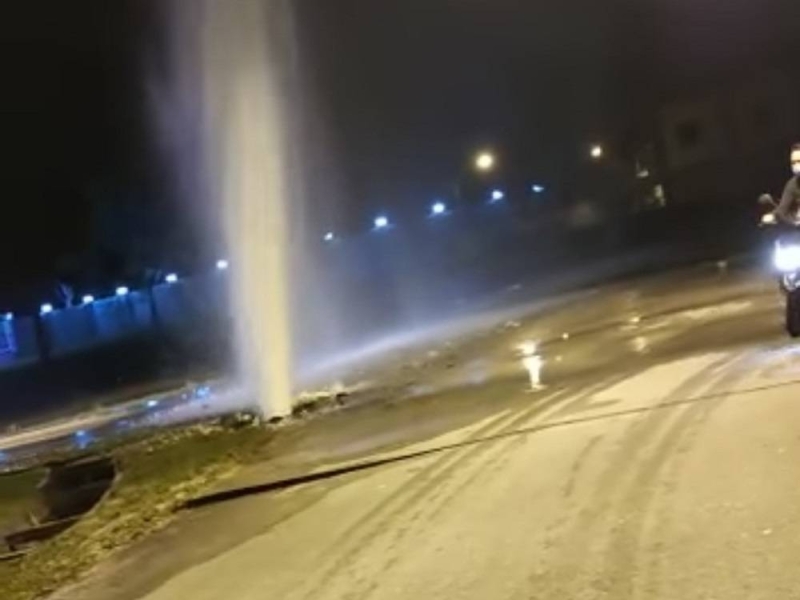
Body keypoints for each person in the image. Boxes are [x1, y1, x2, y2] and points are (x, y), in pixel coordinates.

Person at [775, 143, 800, 224]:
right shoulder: (792, 184)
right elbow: (782, 211)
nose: (796, 165)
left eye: (799, 161)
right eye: (793, 163)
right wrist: (796, 220)